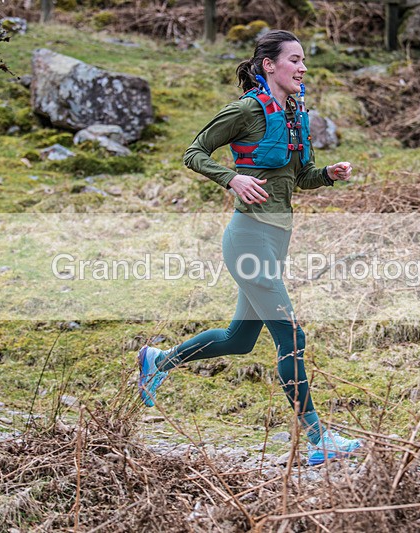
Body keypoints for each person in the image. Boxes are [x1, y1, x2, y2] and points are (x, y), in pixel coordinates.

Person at [138, 29, 361, 466]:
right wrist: (232, 178)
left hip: (276, 238)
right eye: (294, 60)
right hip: (249, 237)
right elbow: (194, 152)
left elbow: (299, 178)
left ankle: (158, 361)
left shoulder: (294, 115)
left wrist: (328, 175)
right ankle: (319, 440)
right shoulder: (245, 110)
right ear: (269, 65)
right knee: (291, 336)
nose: (303, 68)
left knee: (238, 340)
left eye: (304, 60)